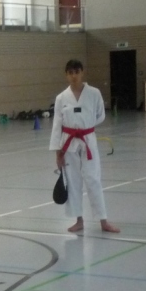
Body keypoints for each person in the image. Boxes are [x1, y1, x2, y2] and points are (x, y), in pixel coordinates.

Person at [50, 60, 120, 233]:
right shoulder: (61, 98)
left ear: (82, 73)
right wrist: (58, 152)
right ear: (66, 75)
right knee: (73, 181)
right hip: (68, 143)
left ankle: (103, 220)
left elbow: (100, 115)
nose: (74, 76)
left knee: (93, 178)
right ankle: (79, 220)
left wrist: (86, 127)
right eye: (70, 73)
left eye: (77, 72)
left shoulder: (94, 93)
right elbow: (57, 125)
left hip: (88, 139)